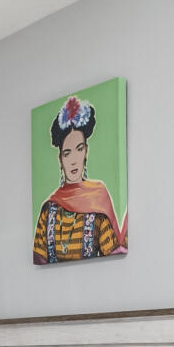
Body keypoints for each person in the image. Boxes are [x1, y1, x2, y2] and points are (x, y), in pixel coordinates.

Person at [32, 95, 123, 264]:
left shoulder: (98, 198)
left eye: (79, 149)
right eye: (67, 153)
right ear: (60, 159)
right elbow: (39, 257)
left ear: (86, 151)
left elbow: (113, 257)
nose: (73, 160)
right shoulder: (49, 209)